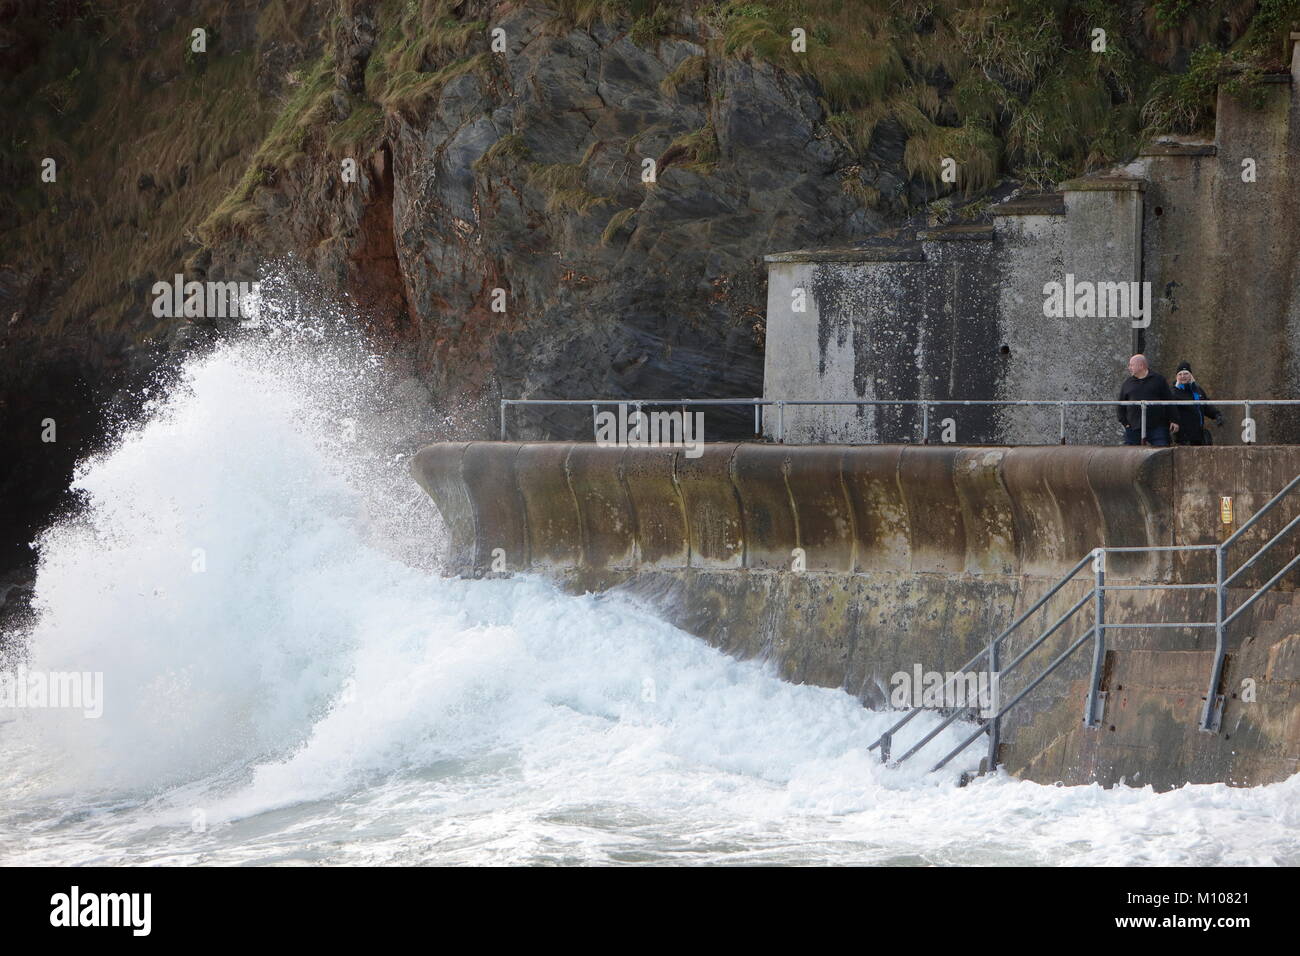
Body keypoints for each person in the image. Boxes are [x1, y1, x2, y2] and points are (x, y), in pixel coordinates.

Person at [1117, 354, 1174, 446]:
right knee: (1130, 455)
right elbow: (1120, 405)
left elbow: (1169, 400)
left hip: (1157, 427)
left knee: (1162, 452)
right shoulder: (1127, 383)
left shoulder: (1159, 380)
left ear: (1141, 365)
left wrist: (1174, 420)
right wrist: (1125, 423)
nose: (1129, 368)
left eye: (1131, 365)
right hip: (1133, 428)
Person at [1169, 361, 1222, 445]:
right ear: (1176, 377)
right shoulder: (1173, 392)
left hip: (1198, 433)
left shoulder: (1197, 390)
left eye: (1186, 373)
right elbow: (1169, 409)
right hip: (1183, 436)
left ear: (1191, 375)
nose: (1183, 376)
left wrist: (1217, 415)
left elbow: (1205, 405)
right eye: (1180, 374)